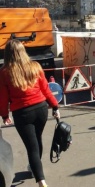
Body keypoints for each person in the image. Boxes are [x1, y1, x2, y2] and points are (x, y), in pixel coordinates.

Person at [0, 40, 60, 187]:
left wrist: (4, 115)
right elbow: (46, 89)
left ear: (7, 53)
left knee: (31, 147)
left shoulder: (5, 72)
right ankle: (34, 169)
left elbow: (3, 97)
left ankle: (41, 181)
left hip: (22, 113)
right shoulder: (35, 67)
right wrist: (55, 107)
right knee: (37, 140)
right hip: (41, 109)